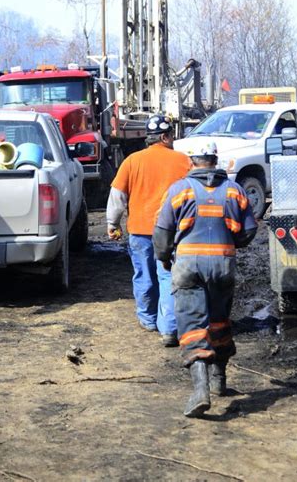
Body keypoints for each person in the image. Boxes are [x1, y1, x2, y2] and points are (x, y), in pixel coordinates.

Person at [153, 141, 257, 417]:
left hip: (188, 265)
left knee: (192, 325)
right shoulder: (235, 190)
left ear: (192, 161)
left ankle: (201, 391)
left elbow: (162, 230)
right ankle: (219, 379)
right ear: (215, 159)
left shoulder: (179, 189)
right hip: (222, 264)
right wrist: (231, 242)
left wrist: (163, 257)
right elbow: (249, 229)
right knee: (219, 321)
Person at [106, 114, 191, 346]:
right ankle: (169, 328)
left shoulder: (132, 161)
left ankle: (148, 320)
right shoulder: (183, 161)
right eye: (171, 135)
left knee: (144, 275)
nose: (173, 139)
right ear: (164, 137)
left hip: (140, 230)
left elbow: (118, 196)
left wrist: (112, 224)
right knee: (167, 277)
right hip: (173, 232)